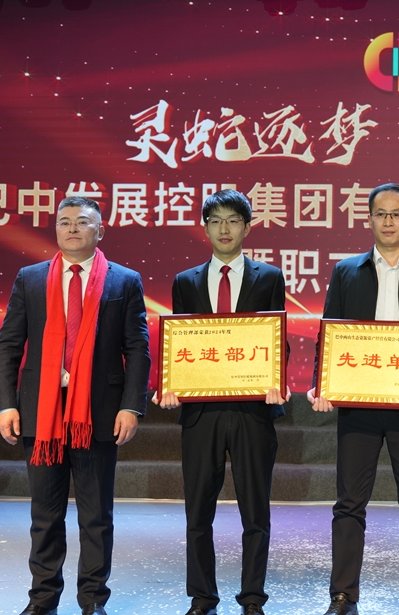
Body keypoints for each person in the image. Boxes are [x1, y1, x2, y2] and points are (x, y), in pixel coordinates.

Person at [0, 196, 151, 615]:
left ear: (101, 230)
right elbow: (9, 344)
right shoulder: (31, 278)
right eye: (64, 222)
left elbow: (137, 349)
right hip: (41, 411)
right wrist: (6, 405)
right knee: (45, 514)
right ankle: (42, 600)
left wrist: (131, 406)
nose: (72, 229)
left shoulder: (124, 281)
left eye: (82, 222)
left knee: (96, 516)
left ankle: (93, 600)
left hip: (97, 413)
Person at [306, 183, 399, 615]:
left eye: (396, 214)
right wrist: (321, 383)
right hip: (359, 405)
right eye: (380, 214)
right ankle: (342, 595)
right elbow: (329, 333)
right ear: (369, 218)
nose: (388, 221)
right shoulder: (346, 272)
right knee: (349, 504)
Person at [156, 189, 289, 615]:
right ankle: (202, 597)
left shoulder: (269, 277)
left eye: (232, 220)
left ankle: (252, 598)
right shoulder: (186, 281)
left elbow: (277, 340)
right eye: (215, 221)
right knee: (198, 511)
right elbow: (180, 343)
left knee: (256, 512)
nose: (224, 229)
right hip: (202, 413)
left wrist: (277, 381)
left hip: (253, 410)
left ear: (247, 227)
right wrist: (171, 383)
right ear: (206, 228)